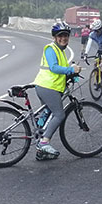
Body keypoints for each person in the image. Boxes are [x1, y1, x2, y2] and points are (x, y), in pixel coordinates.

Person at [33, 22, 83, 160]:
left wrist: (71, 73)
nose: (63, 38)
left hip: (48, 86)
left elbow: (62, 70)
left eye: (66, 36)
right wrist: (70, 69)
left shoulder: (60, 51)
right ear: (55, 37)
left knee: (48, 114)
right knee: (59, 115)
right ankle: (44, 142)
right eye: (60, 36)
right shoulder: (51, 49)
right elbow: (54, 68)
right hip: (48, 87)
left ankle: (40, 148)